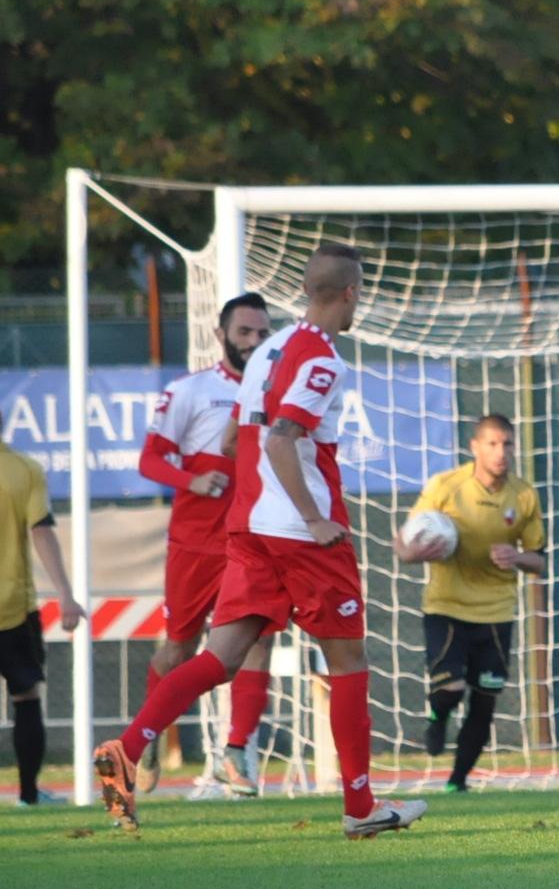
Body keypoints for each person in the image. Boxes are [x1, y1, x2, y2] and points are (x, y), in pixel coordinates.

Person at [94, 244, 428, 838]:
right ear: (349, 294)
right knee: (348, 662)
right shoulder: (323, 359)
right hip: (302, 536)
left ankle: (128, 746)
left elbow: (232, 441)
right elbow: (280, 438)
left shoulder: (267, 351)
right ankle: (360, 808)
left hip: (246, 530)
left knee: (218, 659)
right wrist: (314, 516)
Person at [134, 293, 275, 796]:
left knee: (259, 640)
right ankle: (148, 735)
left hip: (254, 542)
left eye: (262, 333)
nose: (254, 342)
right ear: (221, 336)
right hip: (196, 544)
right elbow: (149, 461)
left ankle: (237, 751)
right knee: (179, 648)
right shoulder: (191, 391)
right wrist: (191, 481)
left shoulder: (277, 391)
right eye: (245, 333)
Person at [394, 414, 546, 793]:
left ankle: (457, 783)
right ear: (474, 447)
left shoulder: (524, 495)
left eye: (507, 443)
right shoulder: (446, 486)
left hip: (496, 612)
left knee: (485, 701)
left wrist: (517, 557)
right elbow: (405, 538)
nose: (501, 452)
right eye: (492, 444)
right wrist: (411, 554)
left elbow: (539, 559)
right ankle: (437, 715)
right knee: (450, 688)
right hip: (446, 606)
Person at [1, 437, 85, 806]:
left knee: (27, 696)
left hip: (14, 606)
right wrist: (65, 593)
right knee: (26, 696)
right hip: (12, 606)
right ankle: (30, 796)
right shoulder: (23, 469)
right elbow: (41, 530)